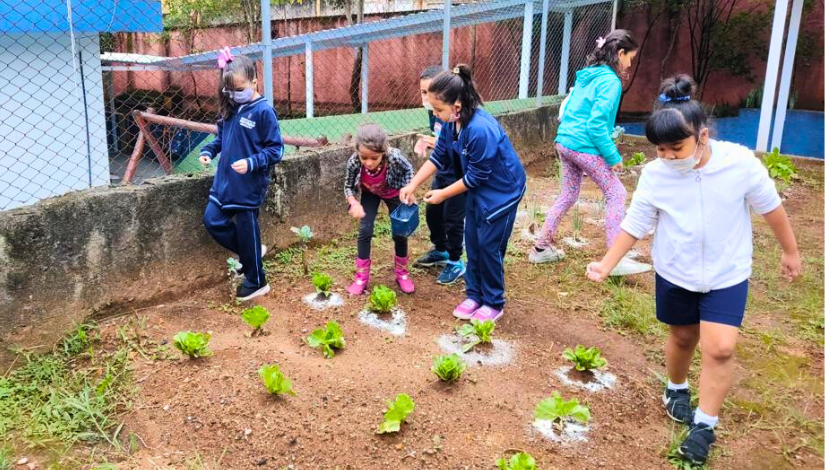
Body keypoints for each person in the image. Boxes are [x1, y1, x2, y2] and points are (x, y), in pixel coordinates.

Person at [585, 75, 802, 465]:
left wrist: (790, 252)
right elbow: (636, 223)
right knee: (683, 338)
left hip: (727, 272)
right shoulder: (655, 174)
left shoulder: (739, 163)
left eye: (675, 147)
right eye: (660, 149)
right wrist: (606, 263)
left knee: (720, 347)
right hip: (676, 270)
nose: (666, 156)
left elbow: (771, 208)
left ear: (702, 135)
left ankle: (704, 425)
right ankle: (676, 387)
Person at [401, 65, 526, 322]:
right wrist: (413, 184)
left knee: (488, 246)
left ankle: (493, 301)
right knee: (472, 242)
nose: (434, 114)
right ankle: (474, 294)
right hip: (478, 191)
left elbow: (476, 176)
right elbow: (439, 156)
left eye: (438, 109)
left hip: (501, 193)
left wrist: (443, 193)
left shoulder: (480, 129)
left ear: (456, 106)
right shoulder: (451, 124)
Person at [529, 30, 649, 276]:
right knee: (617, 192)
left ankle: (541, 248)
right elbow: (595, 125)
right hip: (584, 146)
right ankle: (614, 259)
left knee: (569, 194)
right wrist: (613, 157)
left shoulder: (588, 76)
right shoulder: (611, 82)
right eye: (630, 58)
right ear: (620, 53)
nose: (629, 64)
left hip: (564, 142)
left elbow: (571, 112)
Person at [200, 48, 283, 302]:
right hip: (223, 184)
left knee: (247, 228)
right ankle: (252, 253)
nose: (234, 95)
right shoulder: (231, 108)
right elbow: (221, 138)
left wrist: (251, 162)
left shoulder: (263, 111)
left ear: (255, 82)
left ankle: (257, 281)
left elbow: (276, 150)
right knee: (213, 220)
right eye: (230, 91)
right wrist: (209, 151)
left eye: (239, 89)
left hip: (248, 185)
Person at [344, 124, 415, 295]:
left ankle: (402, 273)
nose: (368, 163)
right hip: (370, 193)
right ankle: (361, 277)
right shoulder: (354, 161)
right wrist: (354, 202)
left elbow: (408, 170)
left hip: (393, 192)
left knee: (400, 231)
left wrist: (409, 188)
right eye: (364, 158)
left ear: (383, 151)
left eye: (374, 158)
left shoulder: (394, 157)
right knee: (365, 230)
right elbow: (348, 185)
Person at [413, 65, 468, 285]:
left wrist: (435, 143)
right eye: (423, 92)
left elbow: (453, 143)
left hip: (459, 177)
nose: (426, 98)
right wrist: (428, 141)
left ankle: (455, 261)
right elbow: (440, 141)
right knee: (433, 213)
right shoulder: (434, 112)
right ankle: (441, 249)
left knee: (453, 220)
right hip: (442, 171)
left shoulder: (462, 117)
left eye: (429, 92)